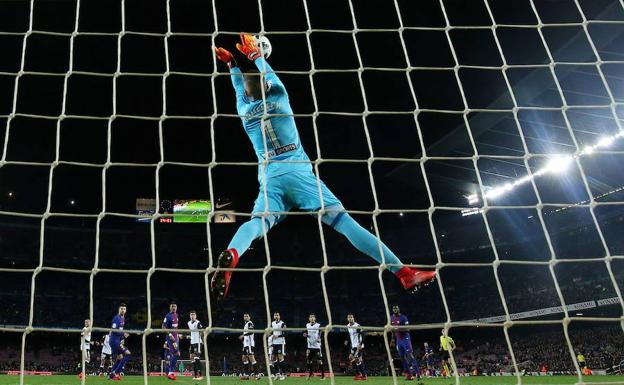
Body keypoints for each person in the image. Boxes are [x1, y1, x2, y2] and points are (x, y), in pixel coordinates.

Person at [210, 34, 436, 300]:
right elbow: (271, 80)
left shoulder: (244, 112)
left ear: (248, 95)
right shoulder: (279, 99)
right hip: (299, 174)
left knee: (257, 223)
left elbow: (240, 90)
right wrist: (255, 57)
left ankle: (233, 253)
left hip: (271, 178)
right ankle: (404, 273)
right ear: (268, 86)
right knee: (345, 224)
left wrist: (232, 66)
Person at [390, 305, 419, 380]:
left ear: (399, 309)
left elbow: (407, 329)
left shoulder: (403, 317)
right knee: (402, 358)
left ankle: (418, 373)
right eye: (394, 308)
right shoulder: (391, 318)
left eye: (396, 308)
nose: (395, 309)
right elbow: (392, 330)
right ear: (392, 310)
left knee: (409, 355)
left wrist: (397, 329)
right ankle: (409, 375)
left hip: (405, 339)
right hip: (398, 340)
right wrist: (392, 339)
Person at [109, 303, 131, 380]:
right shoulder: (116, 318)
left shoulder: (123, 318)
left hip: (117, 341)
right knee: (128, 354)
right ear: (119, 309)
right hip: (114, 341)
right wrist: (123, 333)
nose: (123, 310)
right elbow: (114, 330)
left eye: (124, 309)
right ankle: (116, 373)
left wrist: (122, 338)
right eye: (121, 309)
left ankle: (111, 376)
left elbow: (120, 330)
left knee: (120, 357)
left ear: (126, 310)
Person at [304, 313, 325, 380]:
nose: (312, 318)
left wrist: (319, 338)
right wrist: (305, 335)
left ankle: (323, 375)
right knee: (309, 360)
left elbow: (322, 331)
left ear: (315, 318)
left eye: (313, 317)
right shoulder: (307, 325)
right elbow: (306, 333)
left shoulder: (318, 325)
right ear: (309, 318)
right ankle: (311, 373)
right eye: (311, 317)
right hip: (310, 346)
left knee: (319, 361)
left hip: (317, 346)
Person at [346, 314, 367, 381]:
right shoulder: (348, 326)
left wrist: (361, 344)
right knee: (356, 359)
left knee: (354, 358)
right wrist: (347, 340)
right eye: (349, 317)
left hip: (358, 345)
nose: (350, 318)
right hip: (353, 345)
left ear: (353, 318)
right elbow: (350, 335)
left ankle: (363, 375)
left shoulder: (357, 326)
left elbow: (363, 334)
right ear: (347, 319)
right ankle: (359, 374)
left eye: (351, 317)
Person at [163, 302, 180, 381]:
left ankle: (171, 372)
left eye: (175, 306)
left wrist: (177, 335)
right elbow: (163, 327)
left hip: (176, 338)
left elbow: (175, 327)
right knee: (176, 353)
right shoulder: (168, 316)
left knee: (177, 354)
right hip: (170, 338)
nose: (174, 308)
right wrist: (170, 335)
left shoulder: (176, 315)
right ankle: (170, 372)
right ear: (170, 308)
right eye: (172, 307)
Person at [240, 313, 259, 380]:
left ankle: (257, 375)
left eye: (247, 316)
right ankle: (247, 375)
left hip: (249, 344)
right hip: (246, 344)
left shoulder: (250, 323)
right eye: (244, 316)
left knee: (251, 358)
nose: (245, 317)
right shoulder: (245, 324)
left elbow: (251, 332)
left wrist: (243, 335)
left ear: (249, 317)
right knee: (244, 358)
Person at [188, 310, 204, 380]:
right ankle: (195, 375)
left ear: (196, 316)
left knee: (196, 357)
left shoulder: (198, 323)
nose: (192, 316)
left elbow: (202, 331)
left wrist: (202, 340)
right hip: (192, 342)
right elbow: (192, 333)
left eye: (194, 314)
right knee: (191, 358)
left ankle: (200, 376)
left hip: (198, 342)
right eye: (191, 314)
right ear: (190, 316)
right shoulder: (188, 323)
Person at [271, 312, 287, 380]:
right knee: (273, 358)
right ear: (274, 316)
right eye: (275, 315)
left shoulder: (282, 323)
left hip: (281, 343)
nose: (276, 316)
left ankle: (283, 374)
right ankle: (277, 373)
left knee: (280, 358)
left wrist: (277, 336)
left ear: (279, 316)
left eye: (277, 315)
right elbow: (272, 332)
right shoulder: (272, 323)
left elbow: (285, 333)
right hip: (274, 343)